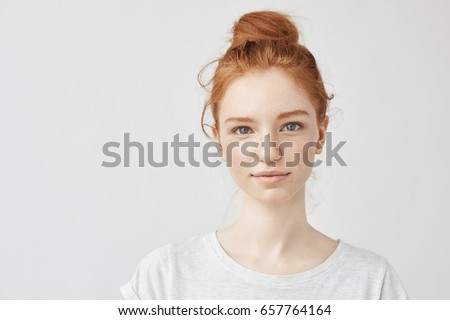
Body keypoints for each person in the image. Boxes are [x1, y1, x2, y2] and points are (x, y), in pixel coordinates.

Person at [119, 10, 409, 300]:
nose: (269, 153)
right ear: (219, 139)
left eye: (291, 126)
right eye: (243, 130)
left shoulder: (371, 283)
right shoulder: (163, 279)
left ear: (320, 134)